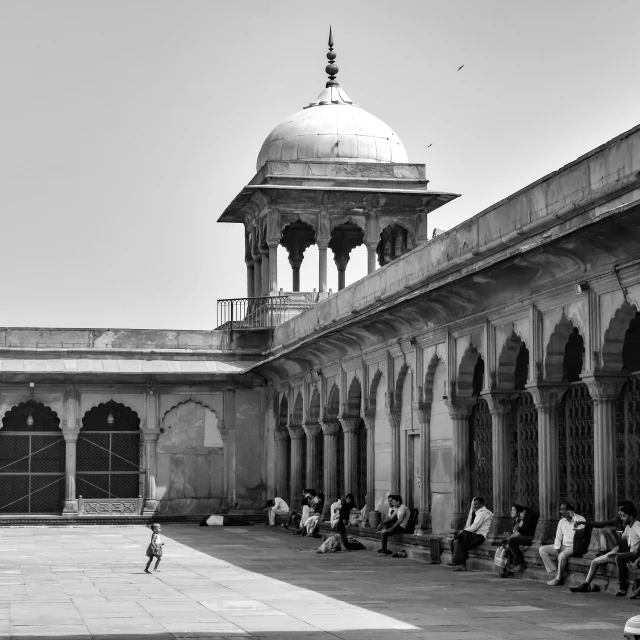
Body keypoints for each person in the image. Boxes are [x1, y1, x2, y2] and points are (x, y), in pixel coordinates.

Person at [570, 502, 640, 594]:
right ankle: (586, 585)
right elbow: (621, 542)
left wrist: (637, 558)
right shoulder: (626, 526)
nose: (620, 515)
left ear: (630, 516)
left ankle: (622, 587)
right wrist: (614, 534)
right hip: (622, 552)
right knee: (596, 561)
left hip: (632, 554)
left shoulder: (637, 525)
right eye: (619, 512)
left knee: (618, 557)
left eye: (623, 514)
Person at [539, 500, 585, 586]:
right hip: (563, 545)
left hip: (574, 546)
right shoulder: (562, 521)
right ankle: (557, 570)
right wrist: (557, 548)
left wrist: (574, 518)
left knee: (562, 556)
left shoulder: (580, 519)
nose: (560, 511)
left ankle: (558, 578)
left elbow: (581, 532)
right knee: (542, 550)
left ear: (569, 511)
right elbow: (558, 537)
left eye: (562, 509)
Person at [447, 496, 493, 571]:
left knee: (461, 535)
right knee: (459, 542)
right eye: (473, 504)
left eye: (476, 504)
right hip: (475, 535)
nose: (474, 506)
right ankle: (459, 564)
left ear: (482, 505)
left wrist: (462, 532)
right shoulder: (478, 513)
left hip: (479, 536)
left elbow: (473, 528)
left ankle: (457, 562)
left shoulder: (482, 513)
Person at [499, 503, 538, 577]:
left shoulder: (528, 514)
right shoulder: (522, 518)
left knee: (511, 541)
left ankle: (520, 564)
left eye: (520, 514)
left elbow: (521, 531)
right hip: (525, 537)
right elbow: (519, 531)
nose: (520, 516)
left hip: (531, 538)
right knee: (507, 547)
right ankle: (507, 570)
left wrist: (508, 540)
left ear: (522, 511)